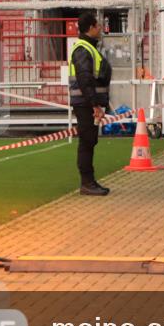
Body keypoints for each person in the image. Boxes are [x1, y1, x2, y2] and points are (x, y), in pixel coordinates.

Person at [69, 12, 113, 196]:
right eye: (98, 26)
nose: (100, 29)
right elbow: (85, 79)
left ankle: (89, 181)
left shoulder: (88, 48)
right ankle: (87, 183)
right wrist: (95, 104)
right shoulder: (83, 49)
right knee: (87, 142)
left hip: (88, 102)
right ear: (90, 28)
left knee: (90, 141)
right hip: (85, 104)